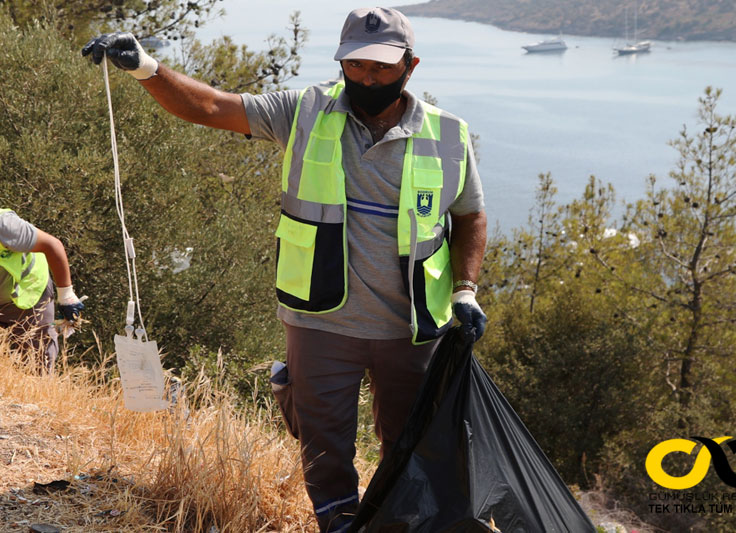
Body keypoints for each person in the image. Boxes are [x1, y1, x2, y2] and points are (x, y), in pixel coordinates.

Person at [82, 7, 487, 531]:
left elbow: (469, 214)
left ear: (411, 66)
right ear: (341, 61)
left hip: (410, 329)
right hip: (320, 320)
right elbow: (208, 106)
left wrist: (466, 290)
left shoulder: (448, 134)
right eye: (357, 65)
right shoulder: (304, 110)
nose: (367, 77)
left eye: (382, 68)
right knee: (325, 448)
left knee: (411, 446)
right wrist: (145, 67)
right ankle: (337, 522)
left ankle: (394, 523)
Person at [0, 209, 85, 373]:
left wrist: (66, 296)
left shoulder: (5, 225)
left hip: (28, 294)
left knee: (37, 366)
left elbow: (52, 245)